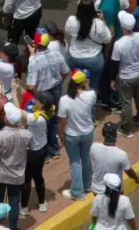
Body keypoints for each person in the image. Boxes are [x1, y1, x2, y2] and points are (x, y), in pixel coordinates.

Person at [0, 102, 32, 229]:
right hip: (17, 175)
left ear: (6, 119)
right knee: (14, 202)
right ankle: (13, 227)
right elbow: (32, 146)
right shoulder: (26, 134)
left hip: (0, 174)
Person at [58, 70, 96, 201]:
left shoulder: (64, 100)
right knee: (85, 157)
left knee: (75, 162)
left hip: (71, 135)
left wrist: (60, 135)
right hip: (87, 132)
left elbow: (62, 122)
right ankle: (88, 185)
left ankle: (77, 192)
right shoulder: (91, 95)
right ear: (83, 82)